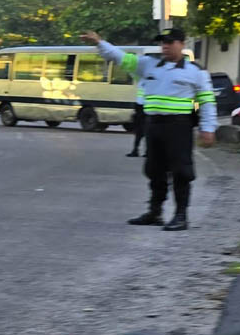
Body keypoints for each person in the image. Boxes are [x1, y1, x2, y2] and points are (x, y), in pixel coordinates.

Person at [81, 28, 217, 231]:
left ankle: (181, 216)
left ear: (182, 44)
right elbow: (119, 57)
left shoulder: (196, 72)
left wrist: (208, 128)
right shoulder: (148, 65)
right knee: (154, 170)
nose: (165, 46)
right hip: (154, 126)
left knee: (181, 171)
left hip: (179, 127)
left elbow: (207, 102)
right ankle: (155, 212)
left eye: (170, 42)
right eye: (162, 42)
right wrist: (99, 42)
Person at [126, 79, 147, 158]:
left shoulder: (148, 80)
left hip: (145, 107)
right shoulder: (142, 80)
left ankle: (145, 151)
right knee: (139, 132)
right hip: (140, 107)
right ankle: (136, 150)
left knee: (145, 131)